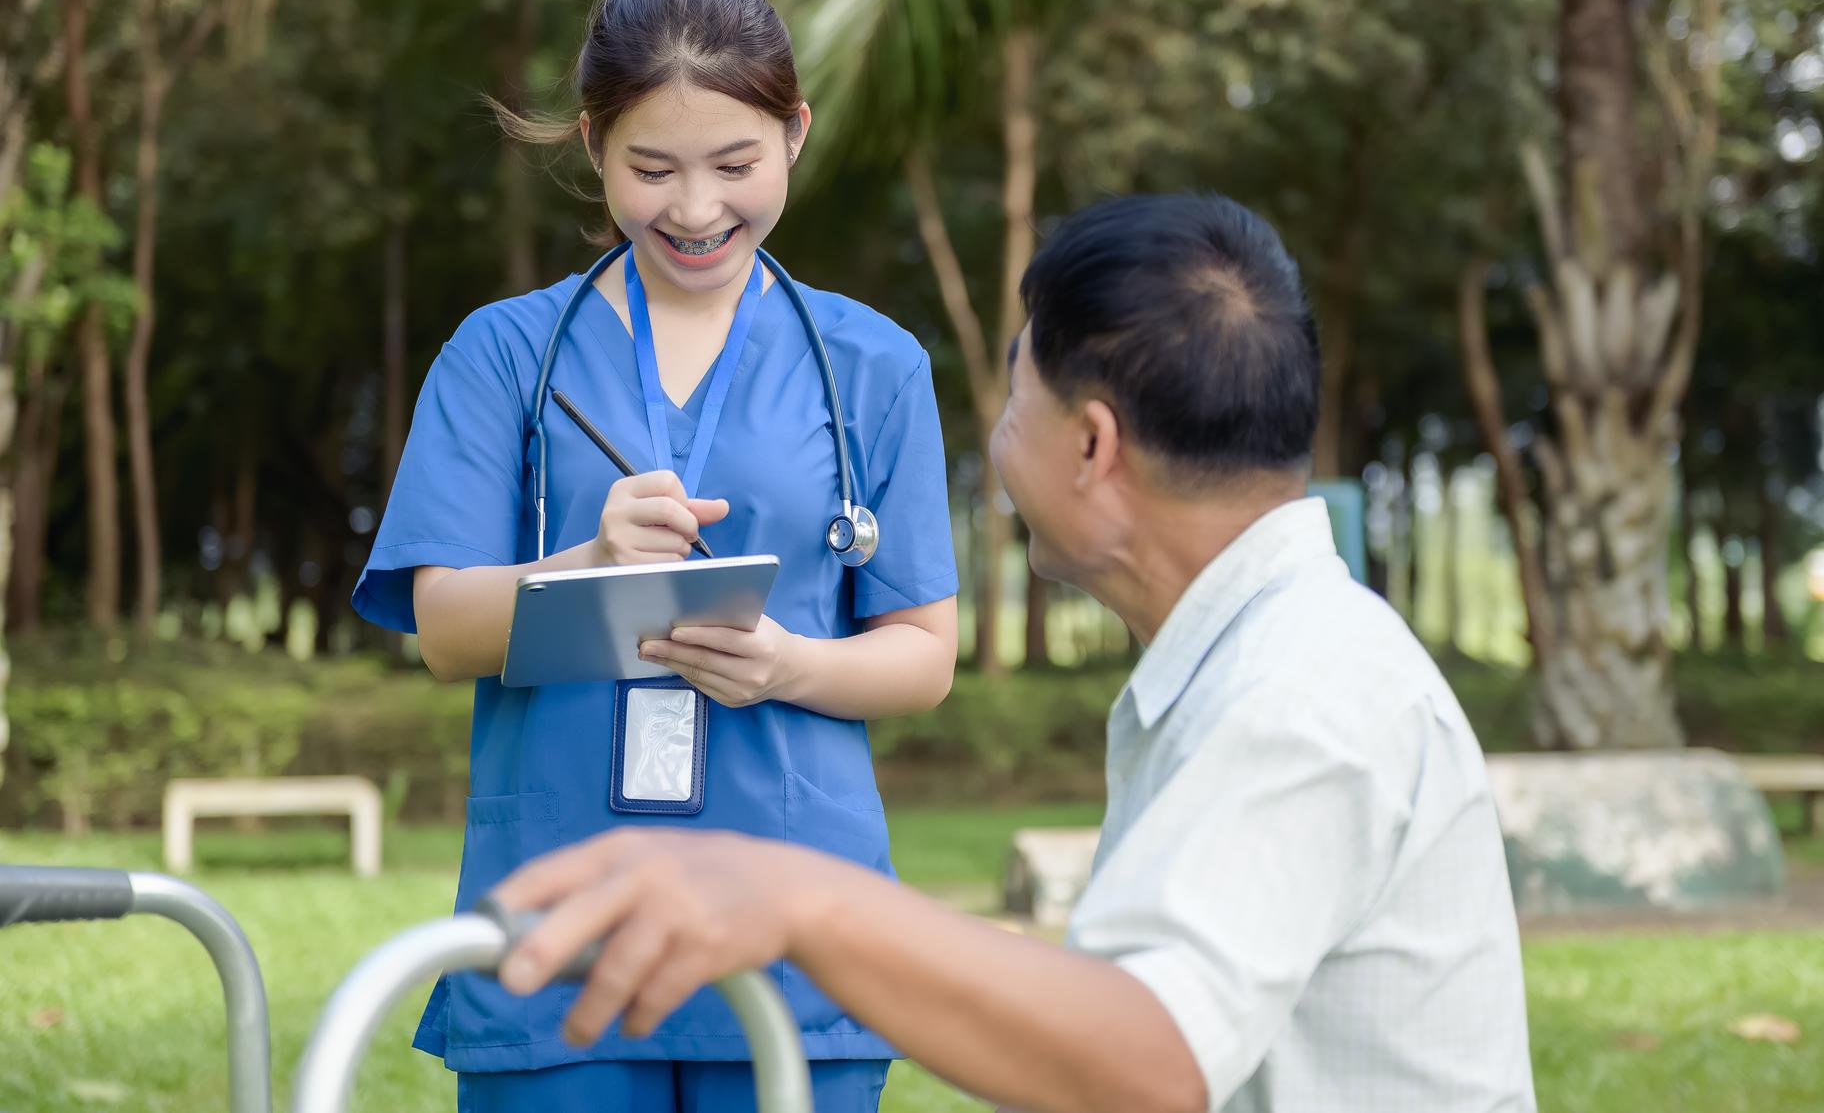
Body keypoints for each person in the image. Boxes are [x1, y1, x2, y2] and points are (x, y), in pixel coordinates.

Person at [488, 194, 1538, 1113]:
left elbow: (1145, 1059)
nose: (994, 437)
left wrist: (795, 899)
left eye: (1015, 392)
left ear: (1092, 445)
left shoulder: (1304, 691)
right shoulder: (1252, 656)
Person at [352, 0, 960, 1113]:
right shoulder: (501, 357)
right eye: (651, 167)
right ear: (592, 143)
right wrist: (583, 562)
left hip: (800, 920)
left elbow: (924, 649)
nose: (694, 209)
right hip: (563, 926)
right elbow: (441, 631)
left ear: (796, 134)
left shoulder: (875, 365)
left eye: (735, 165)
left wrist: (794, 665)